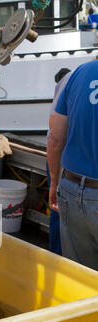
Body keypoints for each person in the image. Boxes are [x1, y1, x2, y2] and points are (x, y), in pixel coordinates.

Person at [47, 59, 98, 270]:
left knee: (80, 277)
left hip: (71, 189)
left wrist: (53, 183)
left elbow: (54, 140)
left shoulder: (78, 74)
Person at [46, 68, 72, 255]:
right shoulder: (74, 77)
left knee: (58, 212)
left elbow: (53, 128)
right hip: (65, 160)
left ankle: (56, 260)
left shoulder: (72, 77)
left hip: (62, 159)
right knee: (59, 212)